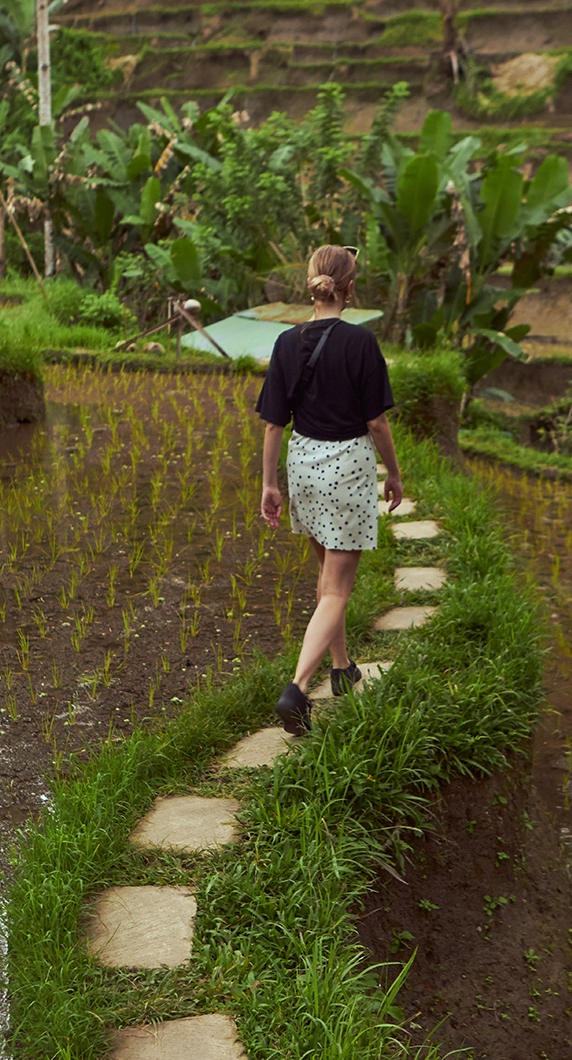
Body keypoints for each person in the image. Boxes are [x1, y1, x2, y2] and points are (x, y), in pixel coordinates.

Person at [256, 244, 403, 735]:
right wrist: (395, 474)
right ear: (350, 287)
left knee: (326, 577)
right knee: (338, 588)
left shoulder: (285, 343)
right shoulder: (360, 343)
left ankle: (342, 670)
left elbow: (274, 425)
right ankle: (297, 690)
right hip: (345, 468)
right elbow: (377, 421)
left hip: (303, 465)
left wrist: (269, 485)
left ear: (311, 283)